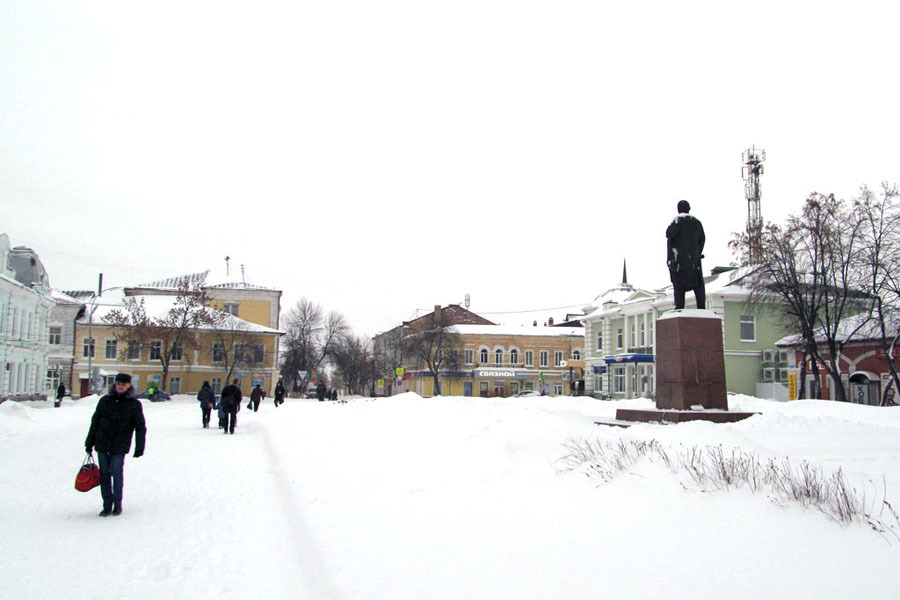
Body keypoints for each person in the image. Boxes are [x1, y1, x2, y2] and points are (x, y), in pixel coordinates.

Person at [84, 373, 146, 517]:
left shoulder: (134, 404)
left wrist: (139, 447)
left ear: (129, 386)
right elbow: (95, 422)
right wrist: (89, 442)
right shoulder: (105, 401)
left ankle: (117, 504)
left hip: (120, 445)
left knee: (116, 473)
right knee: (104, 475)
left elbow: (140, 426)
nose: (120, 386)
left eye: (123, 384)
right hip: (102, 443)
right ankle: (107, 505)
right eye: (118, 383)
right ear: (115, 385)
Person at [666, 200, 706, 310]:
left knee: (679, 286)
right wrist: (697, 253)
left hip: (680, 262)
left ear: (678, 210)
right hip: (694, 262)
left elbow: (669, 234)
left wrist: (671, 261)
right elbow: (702, 239)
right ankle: (701, 307)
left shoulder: (677, 222)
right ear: (689, 209)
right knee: (698, 286)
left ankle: (679, 308)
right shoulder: (696, 222)